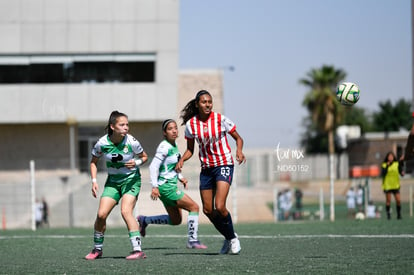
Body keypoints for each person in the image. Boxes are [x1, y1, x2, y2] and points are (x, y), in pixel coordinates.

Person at [176, 90, 246, 255]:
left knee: (220, 206)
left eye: (209, 102)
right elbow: (190, 150)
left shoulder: (220, 119)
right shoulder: (191, 125)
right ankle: (229, 237)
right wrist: (181, 160)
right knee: (208, 210)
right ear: (197, 104)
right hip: (206, 168)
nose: (207, 105)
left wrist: (240, 151)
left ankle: (233, 239)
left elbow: (238, 138)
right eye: (204, 102)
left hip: (224, 164)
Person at [85, 111, 148, 260]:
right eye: (122, 124)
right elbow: (93, 162)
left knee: (126, 212)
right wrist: (94, 181)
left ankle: (138, 250)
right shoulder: (102, 143)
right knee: (101, 215)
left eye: (127, 124)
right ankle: (97, 249)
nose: (126, 127)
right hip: (113, 182)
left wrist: (136, 162)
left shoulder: (132, 141)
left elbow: (144, 157)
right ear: (112, 127)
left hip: (131, 181)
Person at [137, 119, 207, 249]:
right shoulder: (164, 147)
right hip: (166, 188)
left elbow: (169, 167)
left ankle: (145, 220)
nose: (174, 131)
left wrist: (180, 177)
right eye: (170, 129)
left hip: (168, 186)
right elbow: (153, 167)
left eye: (175, 128)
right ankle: (192, 240)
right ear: (164, 132)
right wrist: (154, 187)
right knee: (194, 208)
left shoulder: (173, 146)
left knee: (175, 221)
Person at [381, 151, 404, 220]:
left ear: (393, 157)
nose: (390, 158)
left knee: (398, 200)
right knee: (388, 200)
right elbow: (383, 173)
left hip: (395, 185)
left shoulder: (397, 164)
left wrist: (402, 173)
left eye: (392, 156)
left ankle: (399, 215)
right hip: (387, 185)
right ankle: (388, 215)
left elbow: (401, 171)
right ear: (387, 157)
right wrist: (387, 166)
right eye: (389, 156)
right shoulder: (384, 165)